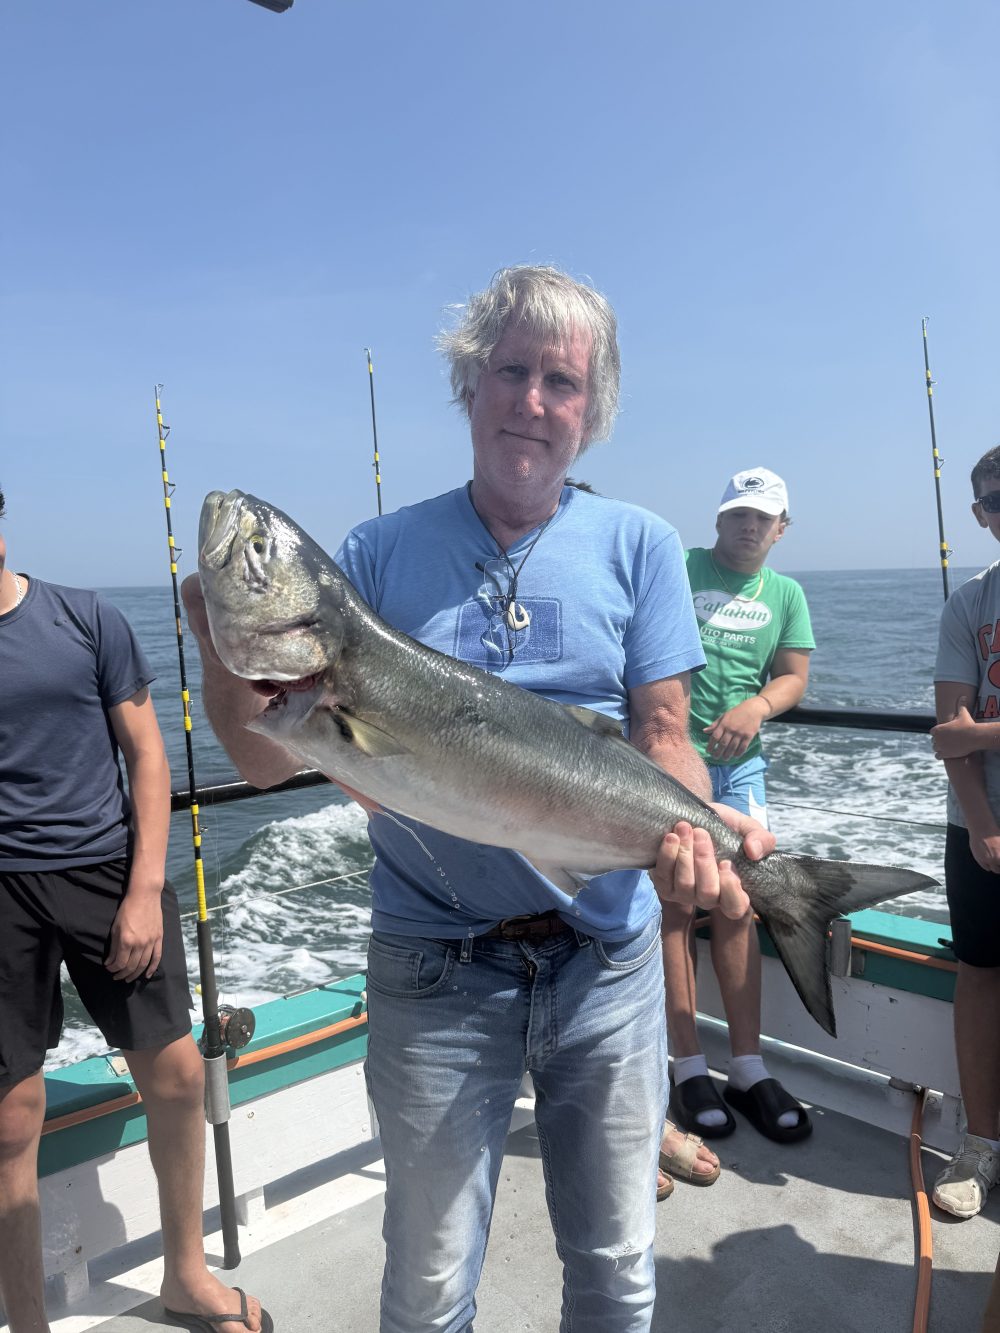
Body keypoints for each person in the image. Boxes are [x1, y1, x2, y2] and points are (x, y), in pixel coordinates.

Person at [183, 264, 774, 1333]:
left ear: (589, 413)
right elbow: (270, 762)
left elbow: (664, 737)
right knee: (426, 1283)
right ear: (470, 385)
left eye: (561, 381)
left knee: (615, 1266)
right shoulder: (373, 554)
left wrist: (704, 839)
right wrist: (223, 651)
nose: (533, 401)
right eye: (511, 371)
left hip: (607, 963)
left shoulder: (636, 542)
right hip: (434, 967)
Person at [0, 487, 271, 1333]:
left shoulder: (86, 619)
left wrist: (145, 890)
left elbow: (148, 754)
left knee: (181, 1073)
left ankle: (185, 1275)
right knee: (11, 1112)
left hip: (106, 870)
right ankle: (29, 1321)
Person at [660, 468, 815, 1149]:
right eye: (737, 514)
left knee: (736, 901)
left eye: (763, 517)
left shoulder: (786, 593)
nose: (748, 525)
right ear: (718, 520)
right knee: (672, 899)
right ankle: (687, 1064)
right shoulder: (678, 564)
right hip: (668, 761)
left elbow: (793, 676)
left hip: (739, 768)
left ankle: (746, 1066)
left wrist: (756, 706)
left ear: (781, 529)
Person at [929, 443, 1000, 1220]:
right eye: (994, 501)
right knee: (980, 971)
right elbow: (948, 732)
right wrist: (983, 827)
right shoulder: (968, 606)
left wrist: (981, 732)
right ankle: (981, 1141)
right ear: (980, 515)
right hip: (978, 829)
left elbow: (963, 729)